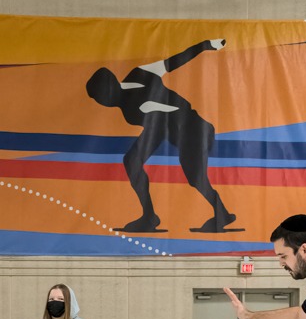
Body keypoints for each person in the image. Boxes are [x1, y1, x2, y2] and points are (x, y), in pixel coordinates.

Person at [85, 39, 239, 234]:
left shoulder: (139, 84)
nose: (103, 103)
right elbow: (160, 119)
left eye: (102, 98)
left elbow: (173, 67)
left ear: (110, 92)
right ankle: (149, 217)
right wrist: (205, 45)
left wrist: (204, 45)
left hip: (193, 129)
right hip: (164, 129)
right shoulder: (138, 78)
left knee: (196, 178)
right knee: (132, 161)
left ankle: (222, 213)